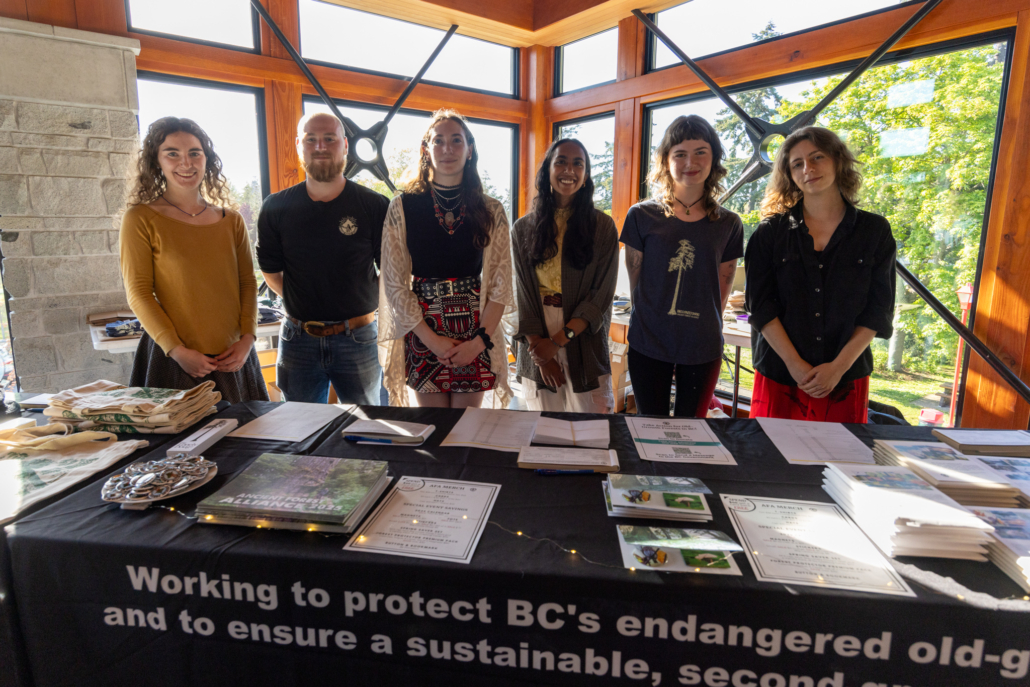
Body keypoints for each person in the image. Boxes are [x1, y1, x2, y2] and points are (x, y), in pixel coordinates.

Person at [745, 126, 896, 423]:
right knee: (770, 460)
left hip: (845, 377)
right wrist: (796, 365)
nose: (808, 169)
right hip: (781, 375)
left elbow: (878, 311)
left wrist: (837, 367)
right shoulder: (769, 234)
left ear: (838, 161)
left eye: (817, 158)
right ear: (789, 175)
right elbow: (761, 307)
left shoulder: (874, 231)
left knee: (840, 464)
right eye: (797, 164)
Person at [120, 116, 268, 403]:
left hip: (233, 357)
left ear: (206, 160)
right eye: (172, 153)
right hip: (174, 359)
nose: (185, 163)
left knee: (247, 444)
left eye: (194, 153)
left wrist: (248, 340)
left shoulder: (231, 220)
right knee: (176, 447)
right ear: (157, 162)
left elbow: (248, 283)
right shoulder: (140, 218)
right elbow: (138, 293)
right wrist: (177, 350)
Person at [378, 109, 514, 409]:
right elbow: (393, 283)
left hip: (474, 327)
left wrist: (478, 343)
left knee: (467, 430)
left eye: (456, 140)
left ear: (469, 150)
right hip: (422, 324)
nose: (448, 149)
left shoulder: (492, 210)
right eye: (439, 141)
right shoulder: (402, 206)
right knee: (433, 429)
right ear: (426, 150)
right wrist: (431, 340)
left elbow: (501, 288)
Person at [256, 112, 389, 404]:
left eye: (329, 139)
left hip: (360, 339)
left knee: (369, 429)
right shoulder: (275, 208)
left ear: (344, 145)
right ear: (298, 146)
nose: (321, 147)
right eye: (311, 139)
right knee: (300, 432)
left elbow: (391, 274)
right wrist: (303, 301)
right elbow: (271, 271)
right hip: (297, 340)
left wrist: (363, 308)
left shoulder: (375, 206)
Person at [621, 115, 743, 417]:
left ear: (714, 158)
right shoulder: (640, 215)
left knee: (693, 430)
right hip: (648, 341)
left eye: (701, 151)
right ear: (665, 160)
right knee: (650, 425)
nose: (691, 161)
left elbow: (723, 286)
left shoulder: (729, 223)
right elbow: (636, 282)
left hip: (703, 345)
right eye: (680, 153)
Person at [512, 138, 619, 413]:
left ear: (586, 176)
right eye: (560, 161)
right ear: (547, 169)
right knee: (543, 426)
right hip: (537, 330)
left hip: (582, 332)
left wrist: (559, 340)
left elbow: (601, 296)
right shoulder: (523, 229)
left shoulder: (603, 226)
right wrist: (541, 353)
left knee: (591, 426)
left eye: (577, 163)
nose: (568, 170)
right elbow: (521, 294)